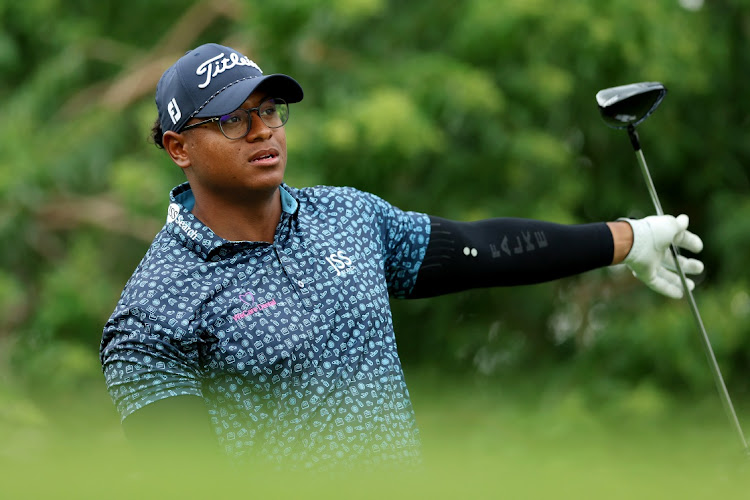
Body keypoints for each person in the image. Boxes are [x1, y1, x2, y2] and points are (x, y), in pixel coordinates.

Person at [99, 43, 704, 470]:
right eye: (233, 119)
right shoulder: (150, 314)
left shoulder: (348, 216)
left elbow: (482, 251)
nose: (263, 131)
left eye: (269, 111)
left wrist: (627, 238)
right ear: (179, 147)